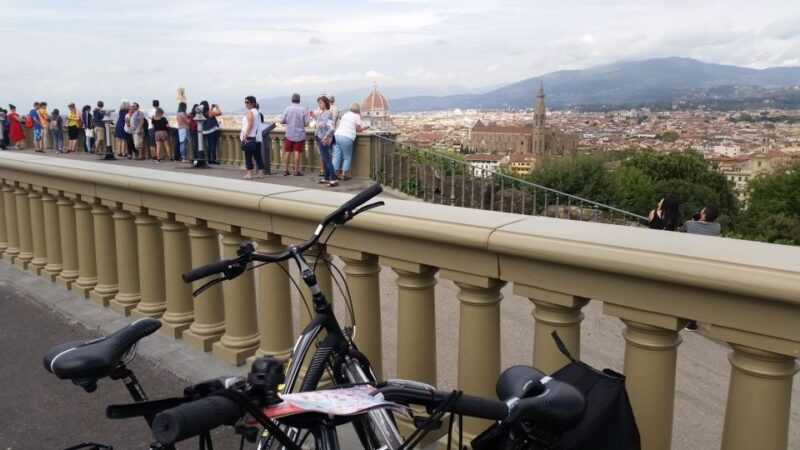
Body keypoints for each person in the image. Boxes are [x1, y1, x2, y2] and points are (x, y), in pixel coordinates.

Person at [332, 102, 368, 181]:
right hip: (347, 137)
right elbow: (358, 129)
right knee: (347, 157)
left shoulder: (345, 114)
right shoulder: (357, 116)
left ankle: (334, 174)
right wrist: (365, 128)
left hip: (337, 135)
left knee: (336, 156)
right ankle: (343, 175)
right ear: (358, 109)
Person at [279, 93, 308, 176]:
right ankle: (296, 170)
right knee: (297, 152)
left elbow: (282, 121)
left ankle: (285, 170)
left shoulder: (287, 109)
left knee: (287, 151)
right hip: (299, 134)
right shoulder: (303, 110)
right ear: (299, 100)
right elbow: (306, 123)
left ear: (292, 100)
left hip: (289, 133)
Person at [312, 96, 338, 187]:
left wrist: (326, 136)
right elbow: (320, 123)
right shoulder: (322, 114)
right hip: (321, 138)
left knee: (326, 159)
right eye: (318, 103)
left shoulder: (328, 114)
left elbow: (332, 128)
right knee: (324, 158)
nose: (319, 104)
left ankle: (334, 178)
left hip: (324, 139)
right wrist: (313, 116)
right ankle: (327, 178)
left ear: (325, 103)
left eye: (320, 102)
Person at [240, 95, 266, 179]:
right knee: (257, 155)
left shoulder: (250, 112)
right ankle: (261, 173)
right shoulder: (257, 113)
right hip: (257, 137)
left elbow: (250, 125)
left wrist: (245, 135)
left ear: (252, 103)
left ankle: (249, 174)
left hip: (250, 137)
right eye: (245, 102)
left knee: (248, 156)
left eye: (247, 102)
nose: (246, 104)